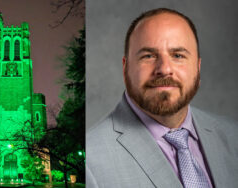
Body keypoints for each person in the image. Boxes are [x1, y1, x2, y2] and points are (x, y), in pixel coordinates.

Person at [86, 8, 238, 188]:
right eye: (148, 56)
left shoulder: (232, 135)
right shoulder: (91, 161)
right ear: (125, 68)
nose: (164, 69)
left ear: (198, 67)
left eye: (178, 55)